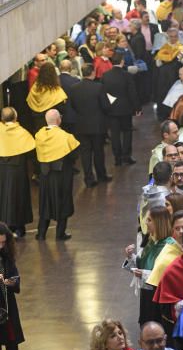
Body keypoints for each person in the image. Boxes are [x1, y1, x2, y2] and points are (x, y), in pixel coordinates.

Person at [35, 109, 80, 241]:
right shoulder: (65, 136)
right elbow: (74, 155)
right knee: (63, 202)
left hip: (44, 174)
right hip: (62, 175)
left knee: (45, 203)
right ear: (59, 120)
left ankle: (41, 233)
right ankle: (60, 234)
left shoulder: (39, 135)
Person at [125, 206, 175, 325]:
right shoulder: (151, 241)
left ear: (159, 222)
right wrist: (130, 256)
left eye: (149, 220)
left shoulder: (169, 247)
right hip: (147, 294)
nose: (146, 223)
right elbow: (141, 263)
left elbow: (169, 276)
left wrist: (145, 274)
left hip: (160, 298)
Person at [67, 64, 112, 188]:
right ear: (93, 72)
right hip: (97, 125)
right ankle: (101, 175)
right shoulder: (99, 87)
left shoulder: (74, 88)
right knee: (98, 151)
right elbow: (106, 106)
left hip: (81, 125)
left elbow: (73, 106)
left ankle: (88, 179)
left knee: (85, 153)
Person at [0, 223, 25, 350]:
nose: (1, 246)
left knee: (13, 347)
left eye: (3, 242)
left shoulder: (7, 255)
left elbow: (15, 278)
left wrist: (9, 281)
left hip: (8, 308)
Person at [0, 108, 35, 238]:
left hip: (2, 171)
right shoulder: (22, 133)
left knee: (3, 197)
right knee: (19, 197)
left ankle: (4, 228)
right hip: (18, 171)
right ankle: (19, 229)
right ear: (15, 117)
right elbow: (31, 151)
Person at [101, 52, 140, 166]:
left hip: (111, 109)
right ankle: (126, 156)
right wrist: (137, 107)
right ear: (122, 61)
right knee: (127, 132)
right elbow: (133, 93)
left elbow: (103, 93)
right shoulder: (127, 75)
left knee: (115, 134)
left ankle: (117, 158)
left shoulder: (105, 75)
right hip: (126, 109)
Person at [27, 62, 68, 133]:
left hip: (37, 126)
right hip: (52, 128)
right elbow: (62, 107)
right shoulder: (56, 91)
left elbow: (29, 102)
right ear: (54, 74)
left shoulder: (34, 88)